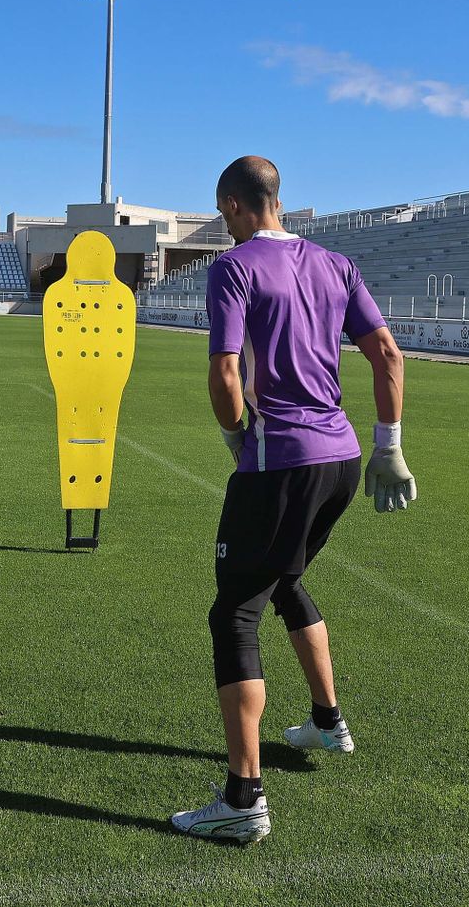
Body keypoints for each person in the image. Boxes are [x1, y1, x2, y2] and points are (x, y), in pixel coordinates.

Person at [170, 156, 417, 844]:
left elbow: (224, 371)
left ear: (236, 204)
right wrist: (389, 447)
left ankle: (243, 798)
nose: (225, 226)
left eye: (225, 215)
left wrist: (232, 439)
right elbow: (389, 356)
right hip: (340, 459)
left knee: (235, 611)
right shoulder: (336, 263)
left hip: (279, 459)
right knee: (287, 579)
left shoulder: (237, 265)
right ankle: (326, 721)